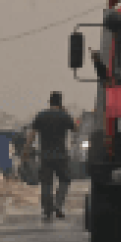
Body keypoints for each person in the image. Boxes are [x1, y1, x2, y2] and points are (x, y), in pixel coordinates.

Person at [24, 91, 75, 221]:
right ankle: (58, 205)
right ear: (60, 102)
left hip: (45, 156)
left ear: (50, 101)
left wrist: (26, 150)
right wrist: (66, 112)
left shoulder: (41, 116)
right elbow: (76, 129)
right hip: (61, 156)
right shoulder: (64, 116)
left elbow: (32, 135)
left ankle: (47, 210)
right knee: (64, 180)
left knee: (46, 183)